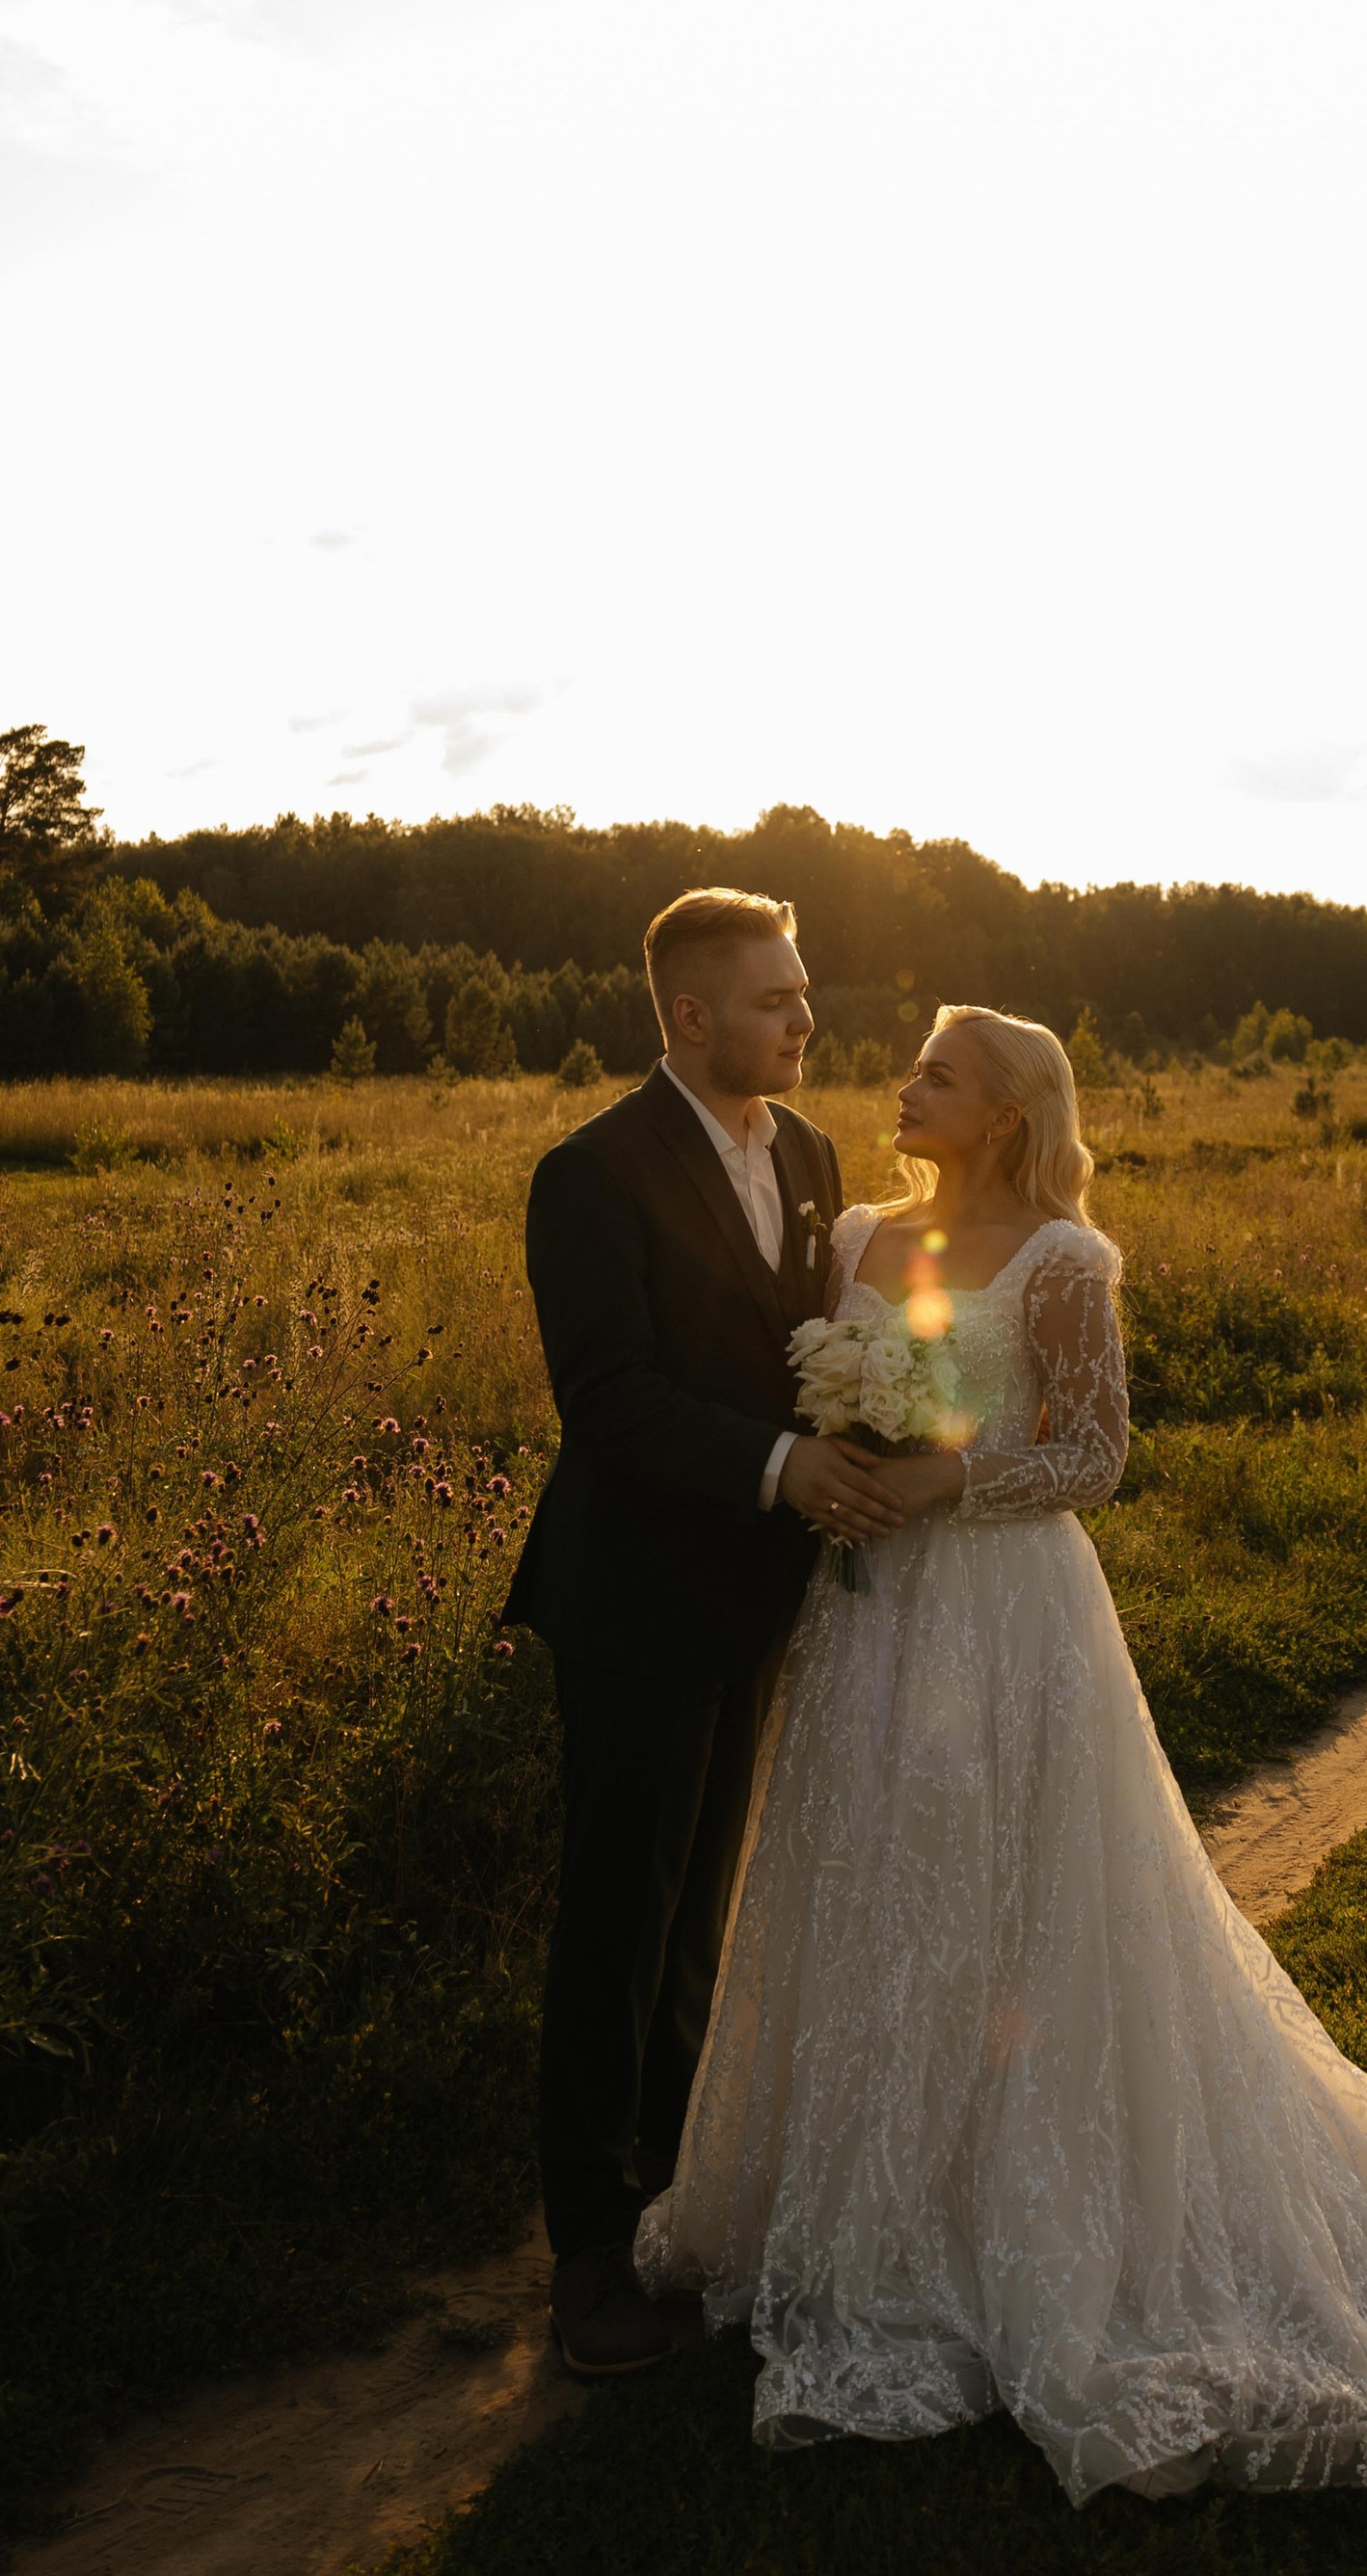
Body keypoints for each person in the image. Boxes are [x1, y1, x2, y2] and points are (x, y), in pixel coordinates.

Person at [636, 1004, 1367, 2503]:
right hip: (865, 1617)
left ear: (1006, 1111)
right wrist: (839, 1469)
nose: (902, 1085)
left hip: (1005, 1618)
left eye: (935, 1074)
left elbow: (1092, 1452)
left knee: (1017, 1898)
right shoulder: (857, 1231)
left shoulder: (1066, 1263)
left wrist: (939, 1478)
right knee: (867, 1881)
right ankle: (855, 2210)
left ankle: (1026, 2219)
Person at [509, 888, 906, 2378]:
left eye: (805, 995)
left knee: (699, 1919)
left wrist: (877, 1426)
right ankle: (588, 2252)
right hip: (627, 1601)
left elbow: (799, 1349)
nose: (806, 1021)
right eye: (775, 1002)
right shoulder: (590, 1173)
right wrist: (778, 1469)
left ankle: (678, 2198)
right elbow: (604, 1400)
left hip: (753, 1593)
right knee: (615, 1921)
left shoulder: (809, 1154)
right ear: (688, 1014)